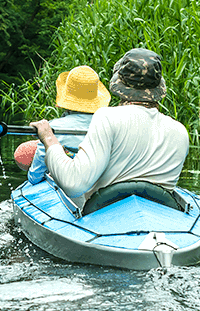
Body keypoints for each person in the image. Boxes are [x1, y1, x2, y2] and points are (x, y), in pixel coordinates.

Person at [29, 48, 189, 212]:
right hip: (163, 215)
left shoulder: (106, 117)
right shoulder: (180, 131)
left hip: (105, 213)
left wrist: (49, 138)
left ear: (118, 84)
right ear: (159, 87)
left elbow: (74, 184)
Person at [14, 65, 110, 184]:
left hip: (67, 183)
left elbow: (35, 177)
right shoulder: (109, 125)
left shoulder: (52, 128)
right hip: (101, 183)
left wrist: (45, 136)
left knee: (23, 152)